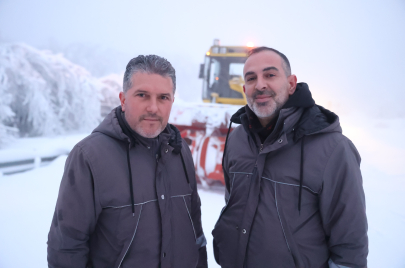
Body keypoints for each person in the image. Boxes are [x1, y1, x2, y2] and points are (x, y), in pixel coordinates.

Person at [212, 47, 368, 268]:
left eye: (270, 75)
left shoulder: (333, 149)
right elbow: (233, 203)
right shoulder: (237, 139)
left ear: (292, 84)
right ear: (245, 88)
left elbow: (350, 245)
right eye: (251, 78)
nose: (260, 85)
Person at [47, 55, 207, 268]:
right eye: (142, 95)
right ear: (123, 99)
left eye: (163, 98)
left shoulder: (180, 151)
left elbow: (195, 229)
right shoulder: (89, 157)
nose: (153, 107)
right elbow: (67, 247)